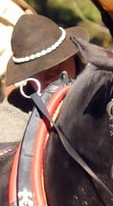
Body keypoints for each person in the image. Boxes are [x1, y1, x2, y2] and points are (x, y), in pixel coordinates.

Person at [0, 13, 88, 143]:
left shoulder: (102, 86)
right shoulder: (13, 111)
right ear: (27, 76)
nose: (52, 74)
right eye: (40, 70)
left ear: (72, 57)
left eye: (58, 63)